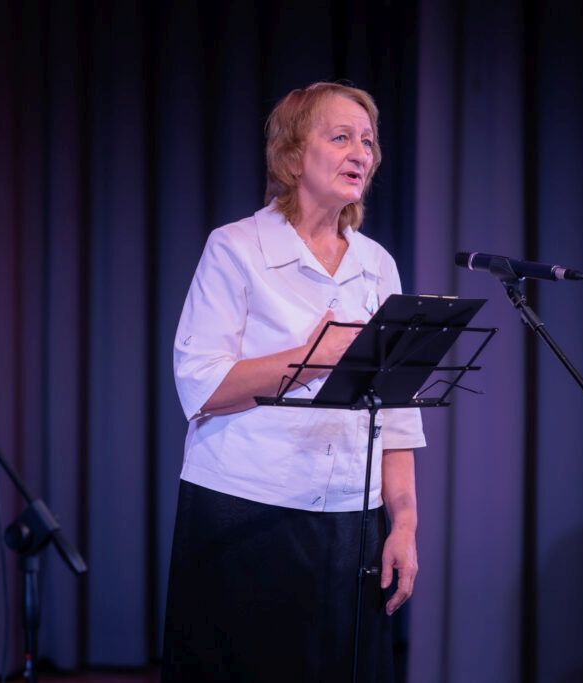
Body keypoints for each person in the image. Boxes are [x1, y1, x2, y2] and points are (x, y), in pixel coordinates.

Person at [164, 82, 424, 683]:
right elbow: (201, 386)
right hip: (246, 515)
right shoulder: (236, 248)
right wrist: (313, 355)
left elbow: (397, 412)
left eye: (368, 141)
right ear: (292, 154)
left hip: (354, 522)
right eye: (341, 137)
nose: (361, 152)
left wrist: (405, 525)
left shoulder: (377, 264)